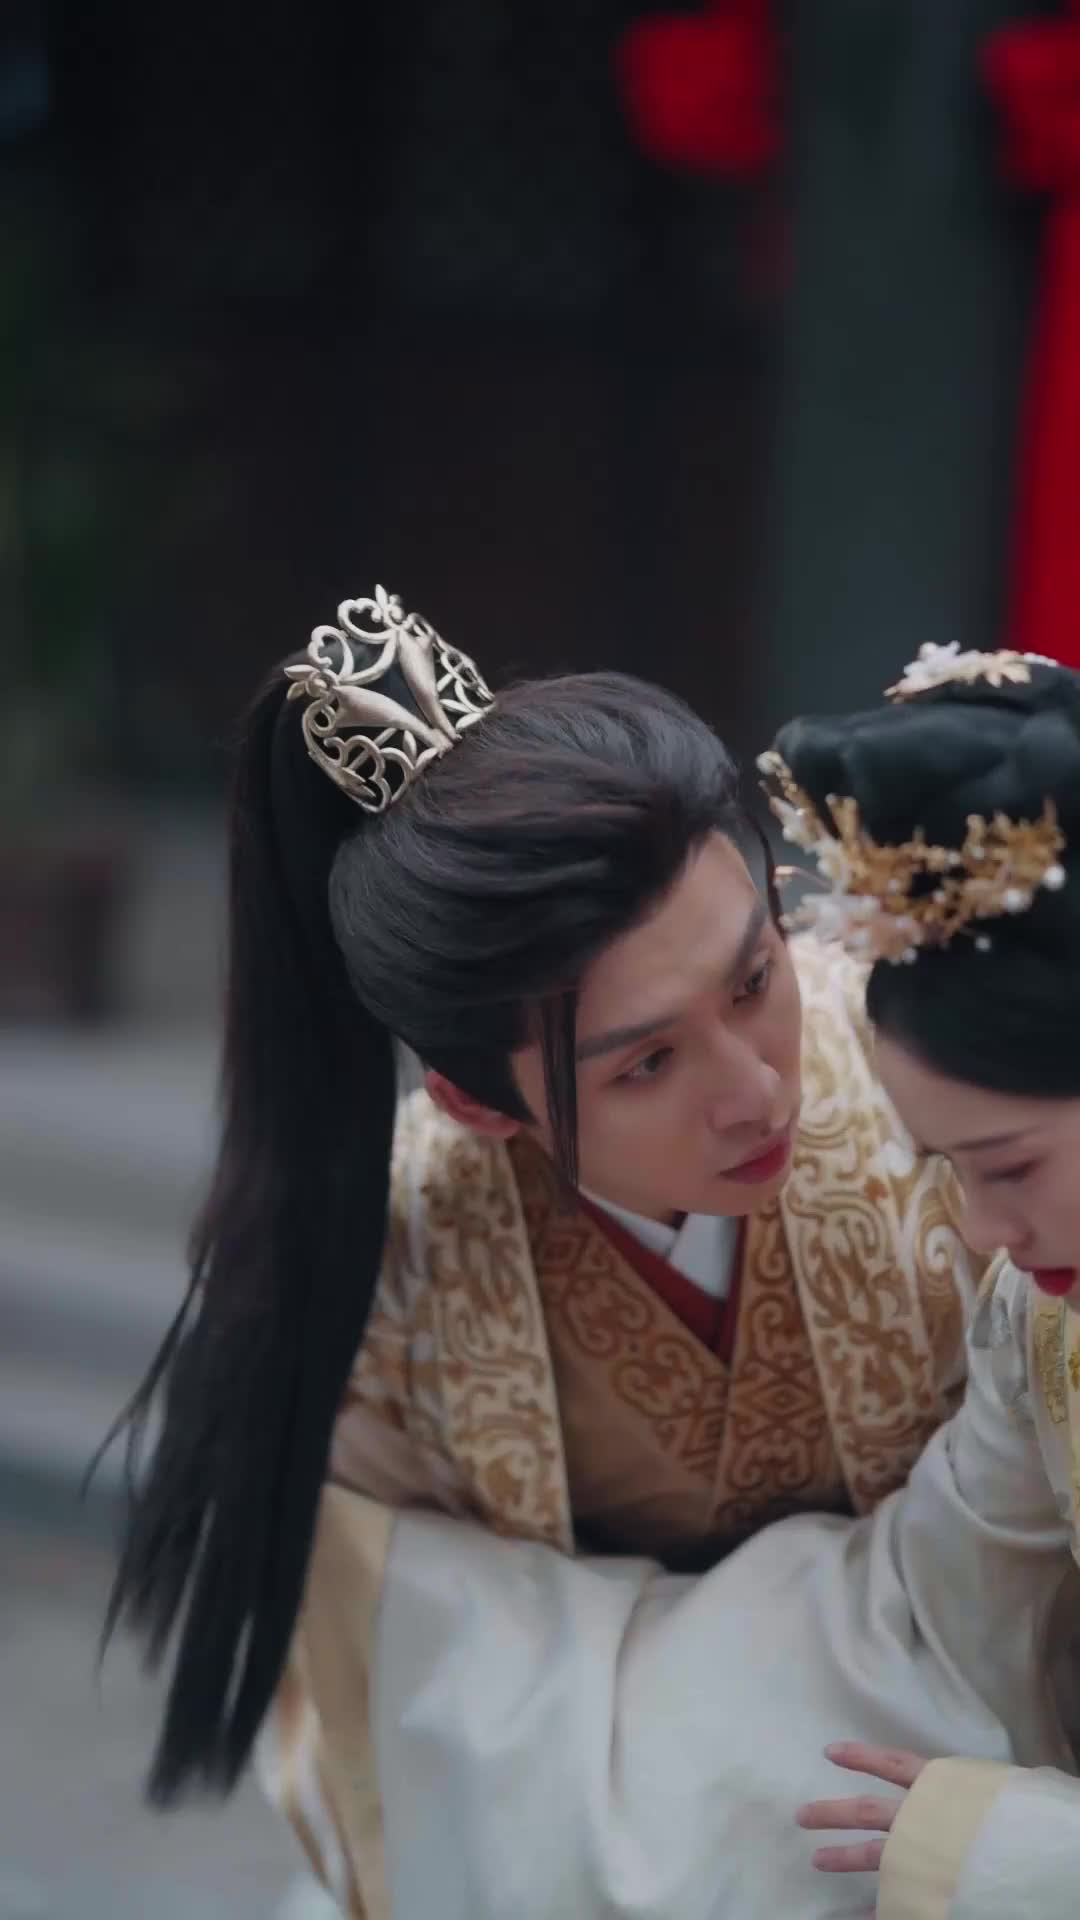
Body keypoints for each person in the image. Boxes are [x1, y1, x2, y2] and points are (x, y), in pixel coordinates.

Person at [108, 590, 995, 1919]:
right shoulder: (402, 1271)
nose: (756, 1089)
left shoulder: (953, 1097)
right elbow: (400, 1710)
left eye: (754, 979)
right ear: (478, 1104)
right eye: (646, 1064)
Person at [760, 641, 1080, 1917]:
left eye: (1013, 1163)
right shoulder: (1045, 1321)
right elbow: (957, 1611)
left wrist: (1030, 1857)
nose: (988, 1228)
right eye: (951, 1170)